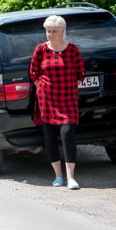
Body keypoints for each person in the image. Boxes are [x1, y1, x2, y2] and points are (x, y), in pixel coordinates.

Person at [29, 15, 85, 190]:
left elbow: (80, 74)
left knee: (67, 133)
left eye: (54, 31)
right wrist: (44, 89)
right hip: (47, 101)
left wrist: (68, 87)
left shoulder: (73, 50)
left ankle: (71, 177)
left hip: (68, 99)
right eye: (48, 31)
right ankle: (58, 176)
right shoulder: (41, 50)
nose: (50, 34)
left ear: (62, 31)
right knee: (50, 138)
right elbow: (33, 73)